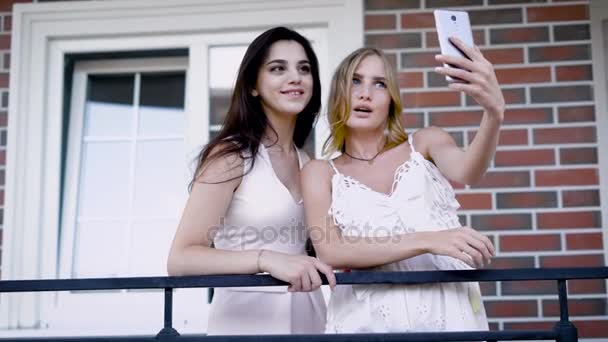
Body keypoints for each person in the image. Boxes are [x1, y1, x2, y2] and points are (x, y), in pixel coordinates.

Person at [301, 40, 504, 333]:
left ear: (391, 101)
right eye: (355, 81)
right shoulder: (319, 172)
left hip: (449, 312)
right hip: (367, 323)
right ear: (338, 95)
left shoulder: (425, 144)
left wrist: (493, 114)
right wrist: (429, 240)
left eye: (380, 84)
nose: (365, 93)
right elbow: (332, 251)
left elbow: (469, 171)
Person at [167, 26, 336, 335]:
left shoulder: (308, 163)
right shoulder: (231, 157)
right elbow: (180, 259)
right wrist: (265, 259)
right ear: (254, 86)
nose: (295, 77)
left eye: (304, 68)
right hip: (246, 323)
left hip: (309, 318)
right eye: (277, 69)